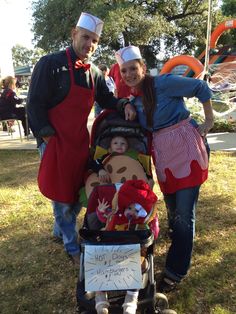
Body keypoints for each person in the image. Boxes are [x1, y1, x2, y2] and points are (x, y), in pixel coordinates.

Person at [27, 12, 136, 267]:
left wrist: (123, 104)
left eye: (95, 40)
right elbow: (34, 104)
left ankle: (60, 229)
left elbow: (106, 100)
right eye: (86, 37)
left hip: (78, 142)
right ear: (74, 34)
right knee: (63, 197)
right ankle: (71, 245)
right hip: (55, 141)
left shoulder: (94, 72)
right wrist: (46, 137)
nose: (90, 44)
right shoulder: (49, 64)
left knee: (75, 193)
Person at [115, 45, 214, 292]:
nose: (129, 74)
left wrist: (209, 120)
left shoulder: (164, 83)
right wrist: (126, 104)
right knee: (173, 211)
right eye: (124, 70)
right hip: (164, 156)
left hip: (185, 149)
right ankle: (180, 245)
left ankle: (175, 271)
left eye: (133, 68)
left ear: (143, 68)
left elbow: (201, 87)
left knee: (183, 216)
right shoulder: (134, 99)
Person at [86, 179, 159, 314]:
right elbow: (105, 218)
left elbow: (153, 232)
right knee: (96, 259)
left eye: (136, 210)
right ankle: (101, 297)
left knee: (139, 265)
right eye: (129, 208)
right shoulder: (116, 216)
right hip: (110, 251)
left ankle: (131, 299)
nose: (131, 212)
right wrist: (100, 211)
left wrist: (153, 221)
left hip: (133, 255)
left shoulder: (142, 225)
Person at [89, 134, 154, 187]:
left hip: (129, 183)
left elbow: (140, 169)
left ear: (127, 148)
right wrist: (100, 170)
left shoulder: (132, 158)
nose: (119, 145)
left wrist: (149, 179)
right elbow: (95, 163)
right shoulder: (106, 157)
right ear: (110, 149)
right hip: (111, 183)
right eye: (115, 143)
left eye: (123, 143)